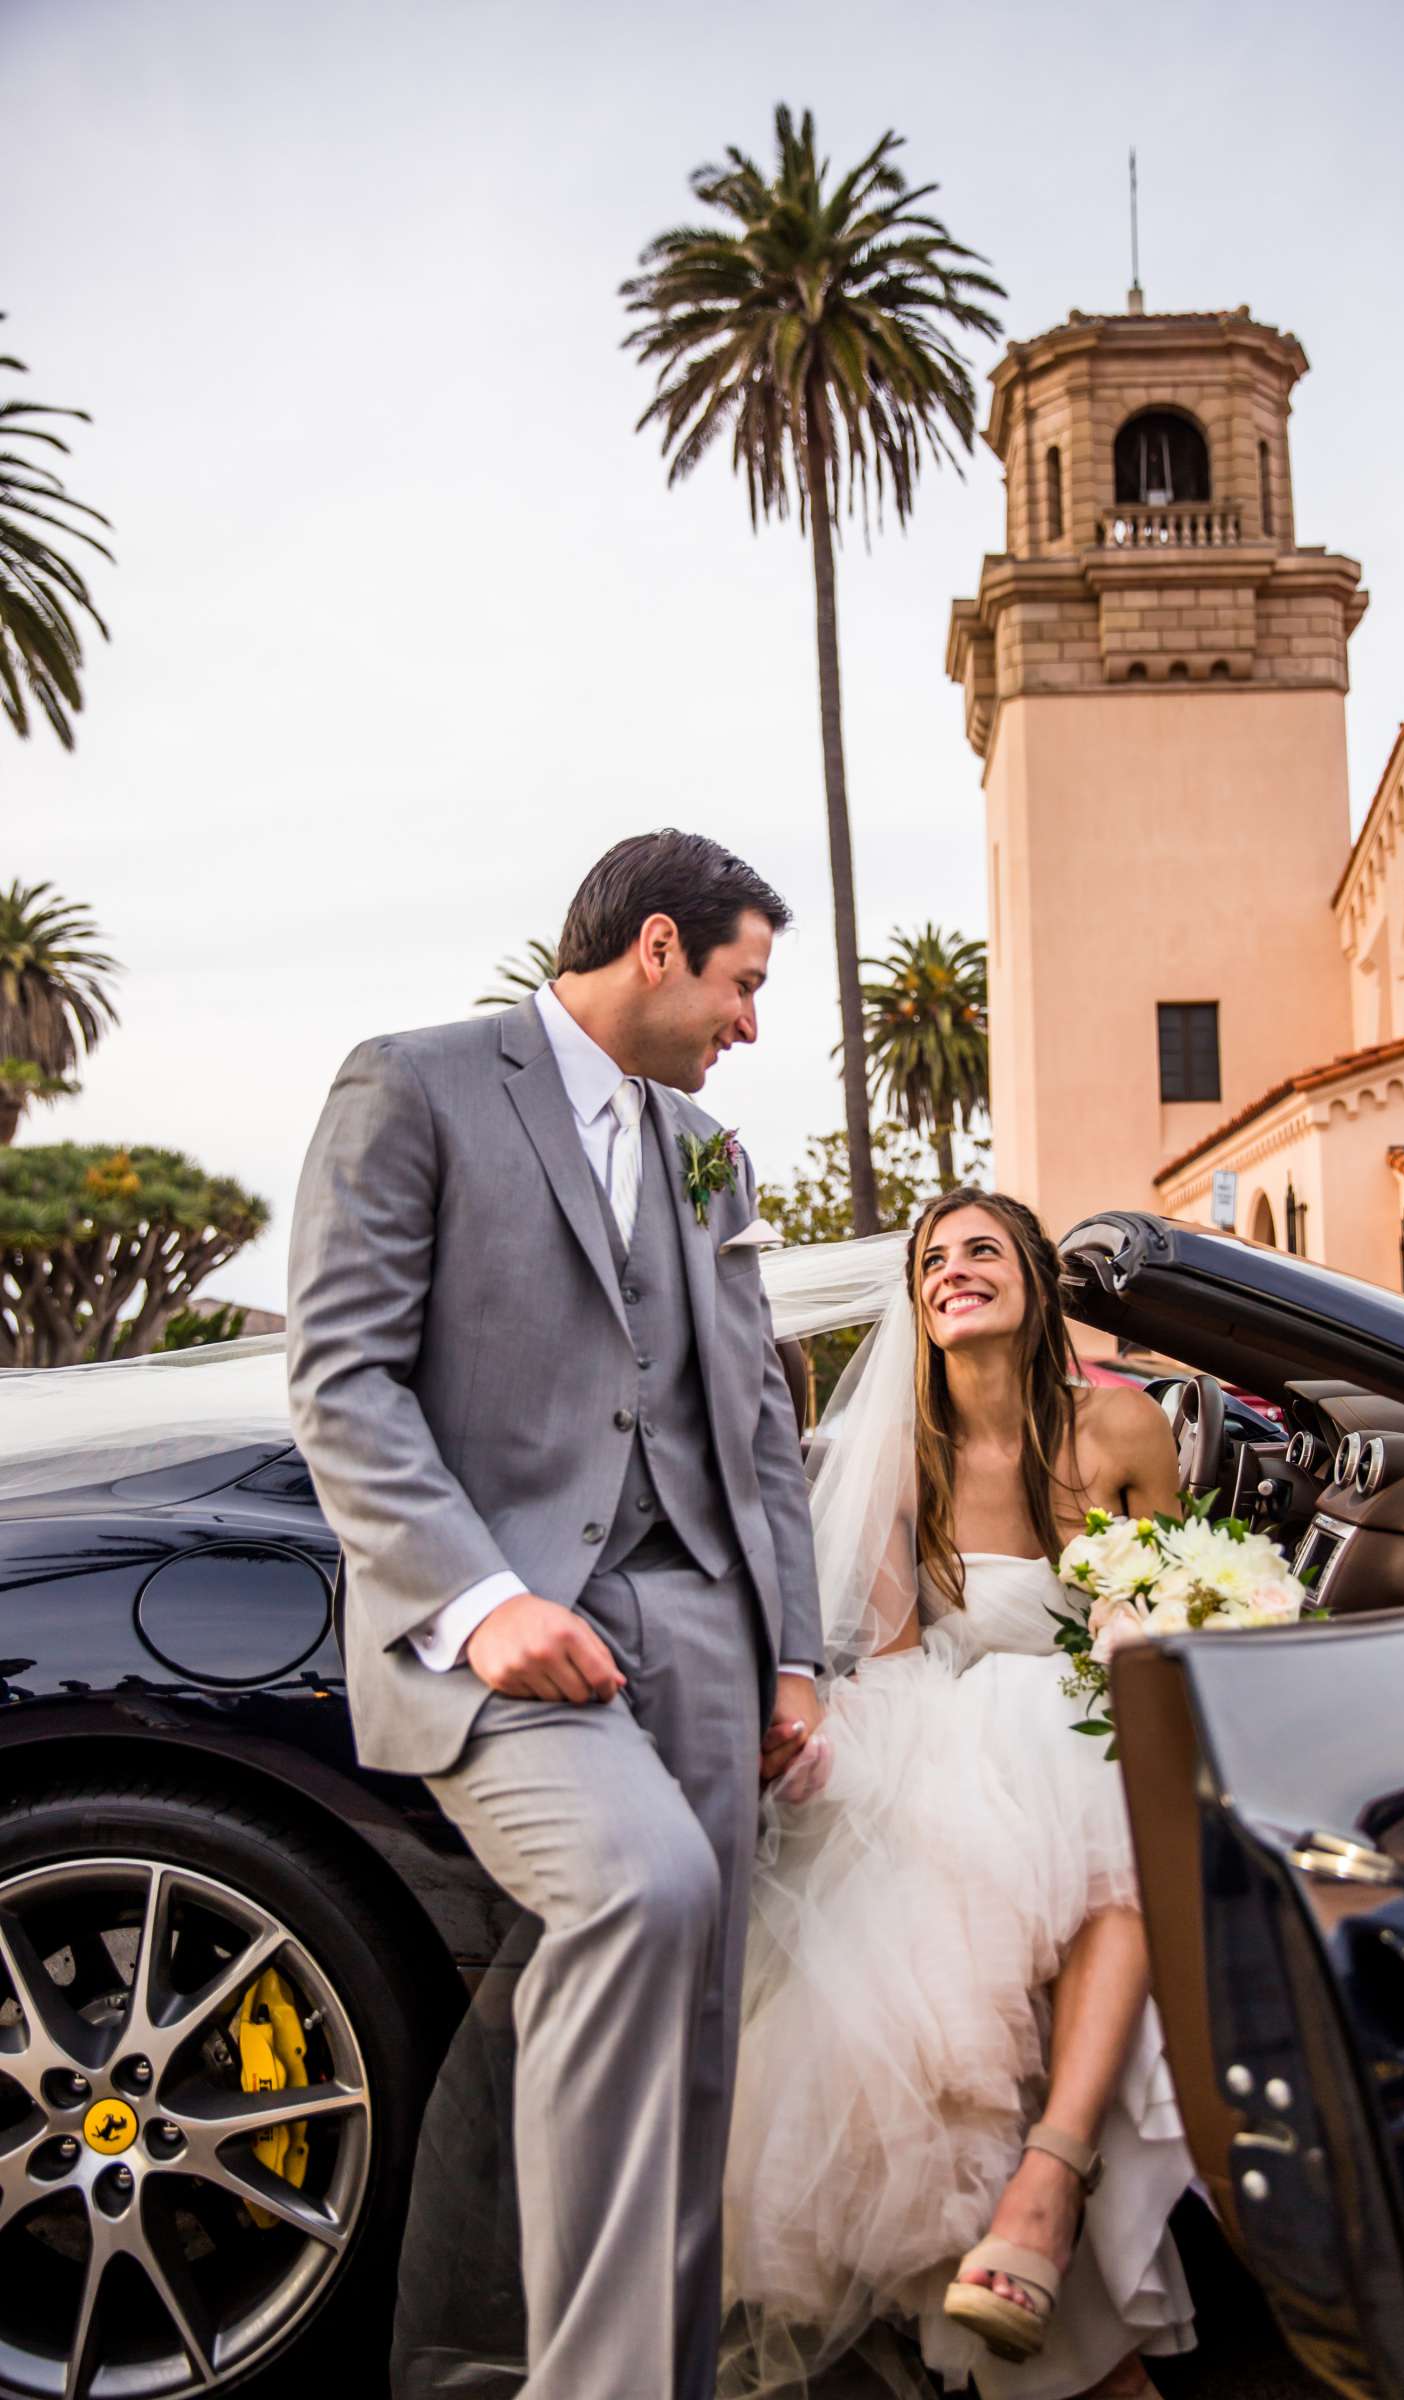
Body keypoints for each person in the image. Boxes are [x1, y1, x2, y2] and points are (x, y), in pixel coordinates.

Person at [286, 829, 826, 2400]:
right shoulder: (417, 1083)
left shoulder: (706, 1152)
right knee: (638, 1890)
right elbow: (342, 1380)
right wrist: (482, 1597)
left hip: (710, 1633)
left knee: (699, 2039)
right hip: (508, 1631)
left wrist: (793, 1653)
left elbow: (759, 1426)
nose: (750, 1025)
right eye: (742, 984)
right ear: (656, 947)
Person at [720, 1189, 1197, 2399]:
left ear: (1034, 1284)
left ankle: (1046, 2189)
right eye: (932, 1259)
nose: (951, 1270)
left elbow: (1183, 1609)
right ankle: (1047, 2283)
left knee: (1115, 1808)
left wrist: (1135, 1623)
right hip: (947, 1726)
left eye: (982, 1250)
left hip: (1102, 1720)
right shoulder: (901, 1453)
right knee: (930, 1934)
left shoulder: (1121, 1426)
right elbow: (887, 1666)